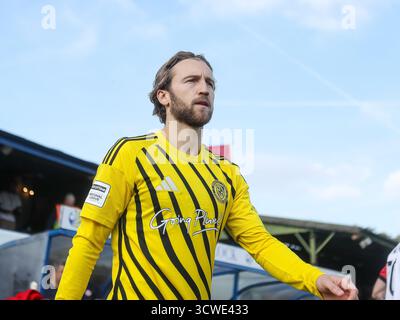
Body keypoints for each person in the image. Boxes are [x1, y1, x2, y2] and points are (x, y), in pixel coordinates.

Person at [56, 51, 358, 300]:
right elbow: (88, 242)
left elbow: (261, 244)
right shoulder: (129, 154)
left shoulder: (227, 174)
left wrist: (315, 279)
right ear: (164, 96)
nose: (204, 88)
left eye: (210, 83)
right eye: (191, 80)